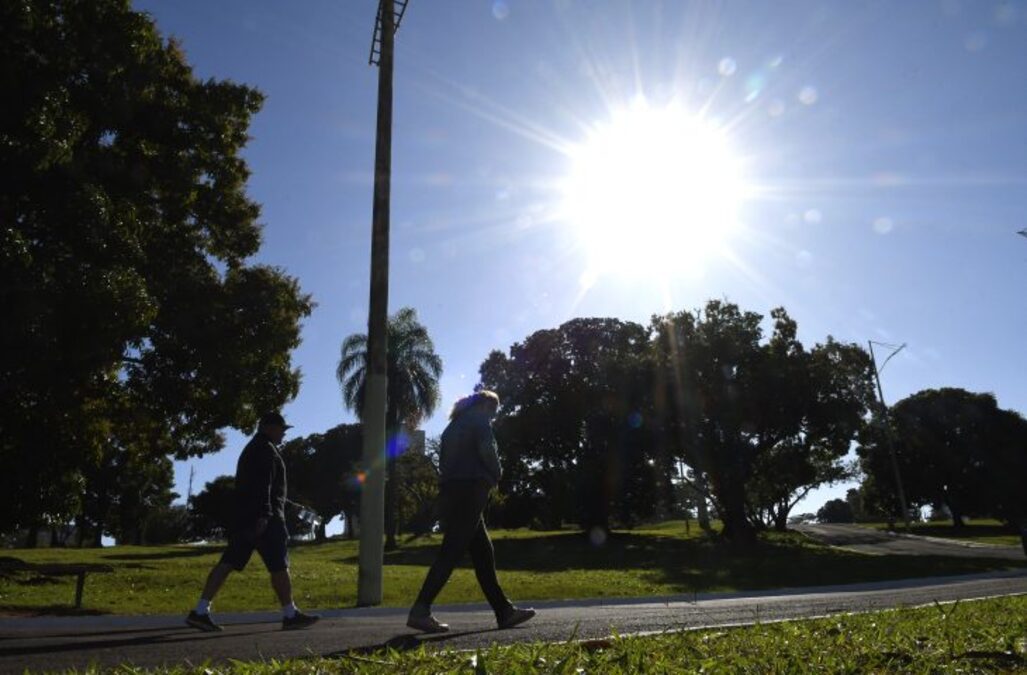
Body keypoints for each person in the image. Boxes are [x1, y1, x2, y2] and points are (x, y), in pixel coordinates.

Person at [407, 390, 536, 633]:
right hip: (472, 490)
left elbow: (444, 464)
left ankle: (504, 611)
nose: (493, 417)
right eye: (493, 411)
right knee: (452, 550)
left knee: (483, 554)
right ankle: (420, 610)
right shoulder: (479, 421)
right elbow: (488, 450)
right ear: (485, 405)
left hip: (453, 491)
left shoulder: (451, 428)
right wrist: (497, 474)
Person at [185, 412, 320, 632]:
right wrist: (266, 514)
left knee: (228, 561)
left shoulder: (254, 449)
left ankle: (200, 611)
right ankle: (290, 614)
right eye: (281, 428)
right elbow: (263, 486)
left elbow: (260, 487)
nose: (283, 433)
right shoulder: (265, 450)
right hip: (265, 520)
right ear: (268, 427)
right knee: (279, 564)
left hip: (246, 517)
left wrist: (286, 504)